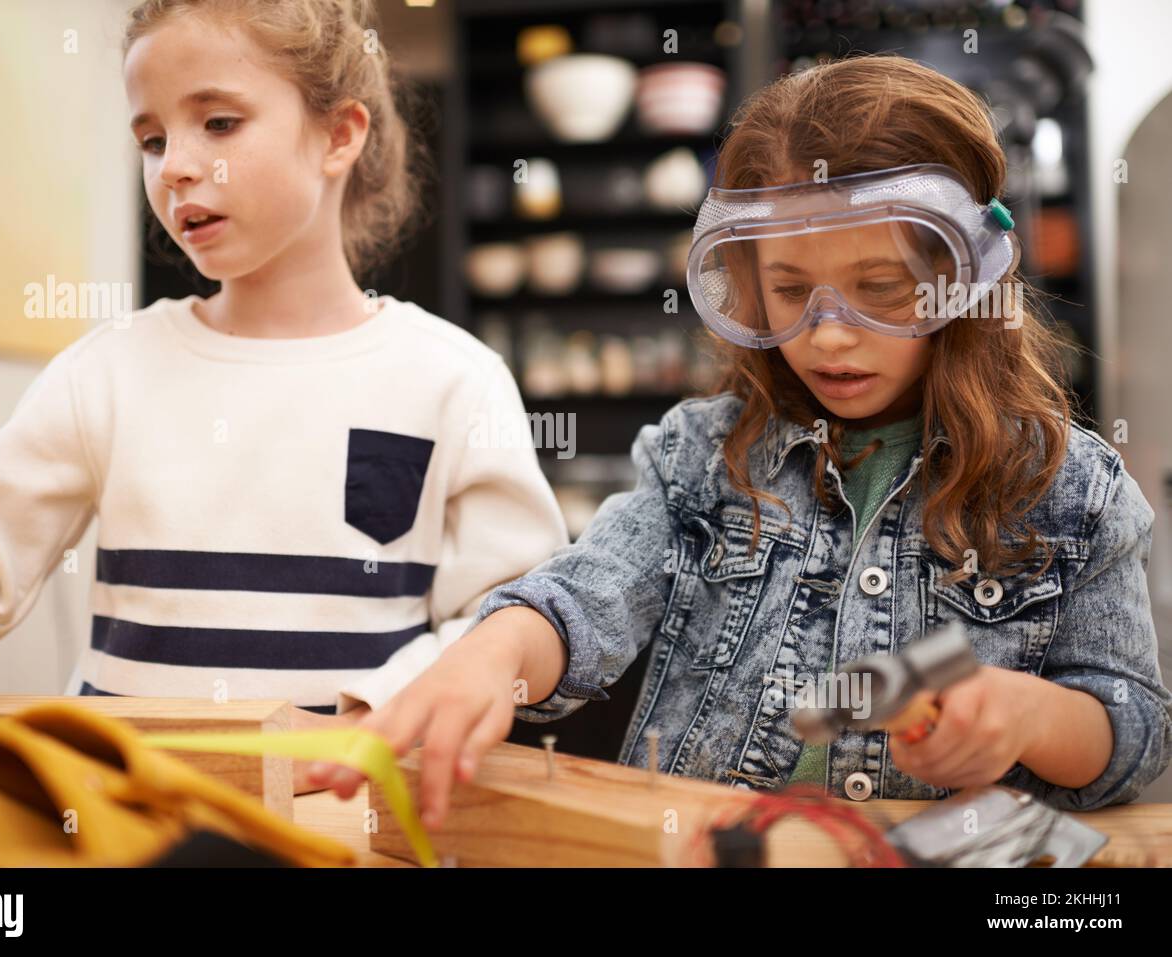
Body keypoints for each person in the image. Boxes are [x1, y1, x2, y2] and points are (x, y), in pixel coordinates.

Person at [308, 55, 1172, 826]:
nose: (828, 335)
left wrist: (1026, 714)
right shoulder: (701, 460)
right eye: (790, 290)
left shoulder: (1068, 492)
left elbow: (1131, 728)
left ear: (966, 275)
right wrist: (494, 656)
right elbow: (588, 594)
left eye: (880, 288)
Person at [0, 0, 568, 794]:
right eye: (152, 138)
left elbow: (512, 619)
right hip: (122, 810)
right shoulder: (108, 369)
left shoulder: (454, 379)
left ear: (340, 135)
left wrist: (373, 711)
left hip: (334, 820)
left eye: (220, 124)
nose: (172, 166)